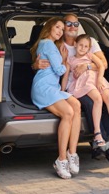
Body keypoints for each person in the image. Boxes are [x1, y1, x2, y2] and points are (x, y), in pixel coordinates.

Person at [33, 13, 109, 164]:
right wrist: (35, 65)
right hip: (74, 85)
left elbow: (104, 63)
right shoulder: (57, 43)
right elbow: (46, 62)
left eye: (75, 24)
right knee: (89, 102)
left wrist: (86, 66)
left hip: (92, 80)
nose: (71, 27)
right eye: (67, 24)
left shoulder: (89, 41)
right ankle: (103, 144)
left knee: (106, 100)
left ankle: (100, 142)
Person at [30, 17, 81, 179]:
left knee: (76, 105)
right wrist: (65, 62)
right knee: (68, 113)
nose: (60, 31)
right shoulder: (48, 44)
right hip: (44, 87)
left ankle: (72, 153)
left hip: (53, 87)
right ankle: (62, 159)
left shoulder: (50, 45)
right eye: (57, 27)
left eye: (61, 28)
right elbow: (60, 71)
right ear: (49, 28)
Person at [63, 34, 109, 147]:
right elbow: (66, 76)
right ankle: (97, 133)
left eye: (86, 46)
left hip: (97, 79)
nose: (83, 48)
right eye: (81, 45)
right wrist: (62, 91)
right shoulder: (70, 60)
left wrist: (100, 79)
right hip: (85, 83)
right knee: (97, 99)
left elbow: (102, 66)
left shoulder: (90, 55)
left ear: (89, 48)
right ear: (75, 45)